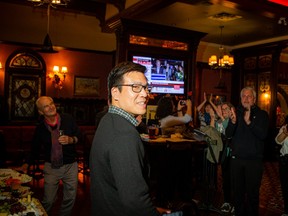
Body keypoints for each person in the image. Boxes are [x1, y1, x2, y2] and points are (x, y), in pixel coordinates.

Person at [89, 61, 171, 216]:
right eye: (135, 87)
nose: (145, 94)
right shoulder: (124, 134)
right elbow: (135, 202)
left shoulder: (108, 119)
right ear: (115, 93)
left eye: (146, 88)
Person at [22, 96, 81, 216]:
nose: (51, 107)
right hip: (51, 167)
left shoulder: (68, 119)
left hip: (70, 165)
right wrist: (26, 163)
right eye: (46, 106)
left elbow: (79, 135)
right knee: (48, 200)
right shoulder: (40, 128)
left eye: (51, 103)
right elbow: (35, 148)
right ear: (41, 111)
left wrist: (71, 139)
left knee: (70, 198)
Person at [226, 86, 269, 216]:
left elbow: (263, 135)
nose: (246, 98)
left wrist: (249, 122)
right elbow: (228, 135)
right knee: (237, 195)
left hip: (254, 162)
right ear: (240, 98)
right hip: (237, 160)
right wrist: (233, 122)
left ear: (254, 99)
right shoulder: (236, 113)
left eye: (249, 96)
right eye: (243, 96)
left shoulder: (262, 114)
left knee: (252, 195)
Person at [275, 115, 288, 216]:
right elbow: (278, 141)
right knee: (285, 186)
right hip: (285, 161)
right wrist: (285, 133)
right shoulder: (285, 128)